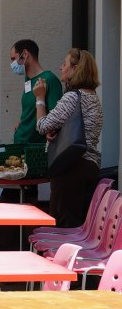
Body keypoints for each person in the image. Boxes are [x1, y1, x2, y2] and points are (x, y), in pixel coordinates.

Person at [34, 48, 103, 228]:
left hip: (71, 168)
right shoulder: (93, 97)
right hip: (90, 166)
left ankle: (65, 257)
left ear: (75, 68)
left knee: (65, 227)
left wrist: (40, 99)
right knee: (79, 225)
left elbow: (42, 125)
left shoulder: (73, 97)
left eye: (64, 64)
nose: (60, 68)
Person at [3, 39, 63, 203]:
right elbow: (33, 109)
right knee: (9, 202)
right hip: (20, 147)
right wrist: (21, 120)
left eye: (13, 58)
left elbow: (55, 117)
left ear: (25, 54)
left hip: (33, 152)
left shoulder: (49, 80)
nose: (12, 64)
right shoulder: (28, 81)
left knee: (20, 203)